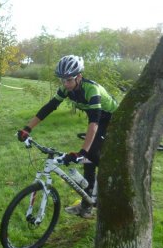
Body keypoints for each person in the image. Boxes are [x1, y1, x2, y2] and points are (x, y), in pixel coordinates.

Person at [17, 54, 118, 218]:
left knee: (90, 155)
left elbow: (94, 123)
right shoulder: (66, 88)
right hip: (98, 120)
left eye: (69, 80)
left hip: (112, 120)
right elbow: (49, 107)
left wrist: (82, 152)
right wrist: (27, 128)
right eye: (62, 80)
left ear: (79, 76)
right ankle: (88, 204)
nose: (65, 84)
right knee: (89, 161)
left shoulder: (92, 90)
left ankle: (112, 185)